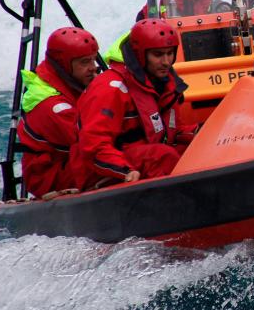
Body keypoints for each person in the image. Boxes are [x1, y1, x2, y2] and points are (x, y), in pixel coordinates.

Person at [70, 19, 196, 189]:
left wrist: (204, 133)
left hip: (138, 157)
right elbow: (93, 146)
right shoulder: (109, 88)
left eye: (169, 53)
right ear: (141, 55)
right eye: (158, 55)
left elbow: (174, 130)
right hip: (105, 170)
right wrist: (124, 169)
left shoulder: (163, 84)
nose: (166, 62)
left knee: (194, 152)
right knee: (162, 156)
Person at [18, 27, 100, 198]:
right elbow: (92, 141)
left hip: (68, 160)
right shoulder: (52, 106)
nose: (93, 68)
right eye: (85, 62)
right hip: (49, 176)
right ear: (64, 65)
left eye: (93, 60)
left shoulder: (67, 80)